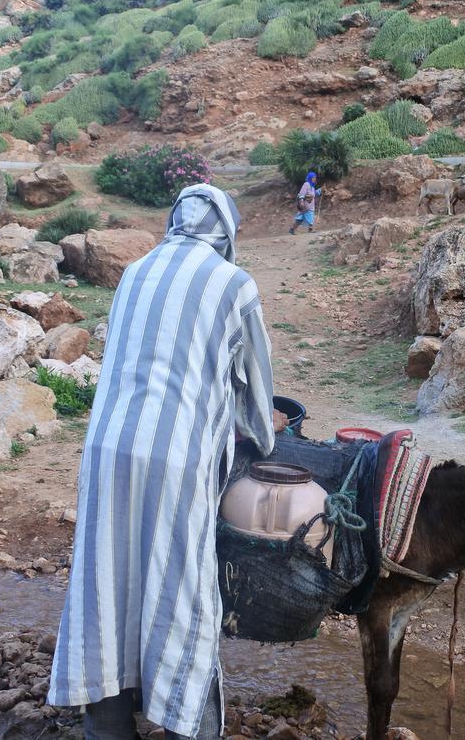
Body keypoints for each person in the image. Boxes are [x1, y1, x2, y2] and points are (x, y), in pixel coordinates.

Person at [48, 184, 277, 739]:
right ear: (226, 232)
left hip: (105, 452)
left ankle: (106, 722)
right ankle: (185, 722)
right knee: (181, 583)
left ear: (176, 221)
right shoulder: (234, 284)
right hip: (177, 460)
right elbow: (256, 383)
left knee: (106, 577)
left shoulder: (135, 272)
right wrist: (265, 440)